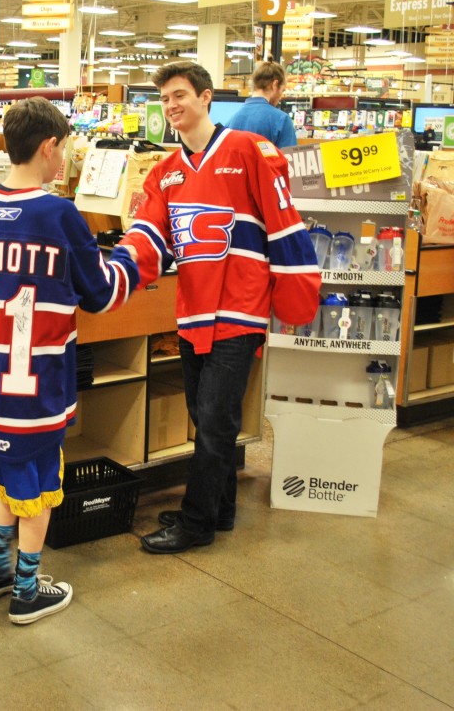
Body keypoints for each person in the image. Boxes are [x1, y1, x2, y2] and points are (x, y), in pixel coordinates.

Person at [0, 97, 140, 624]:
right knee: (38, 489)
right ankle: (27, 591)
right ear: (50, 145)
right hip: (34, 390)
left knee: (5, 478)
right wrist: (137, 248)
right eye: (66, 149)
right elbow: (99, 294)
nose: (67, 160)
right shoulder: (58, 214)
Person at [118, 61, 320, 554]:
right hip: (192, 311)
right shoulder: (165, 173)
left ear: (206, 97)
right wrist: (118, 267)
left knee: (213, 419)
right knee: (204, 415)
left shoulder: (249, 151)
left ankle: (196, 523)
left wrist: (295, 292)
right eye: (164, 99)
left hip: (240, 310)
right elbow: (150, 234)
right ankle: (219, 507)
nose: (171, 106)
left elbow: (283, 221)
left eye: (180, 95)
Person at [226, 60, 298, 148]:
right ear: (275, 85)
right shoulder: (281, 120)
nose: (280, 97)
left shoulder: (231, 121)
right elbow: (288, 159)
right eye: (282, 90)